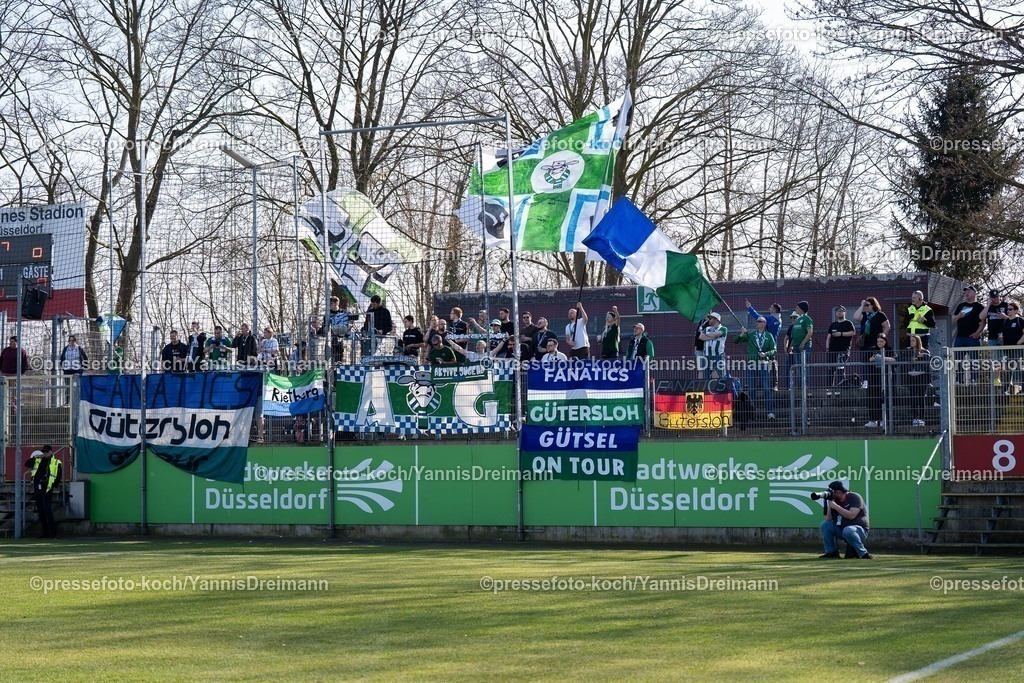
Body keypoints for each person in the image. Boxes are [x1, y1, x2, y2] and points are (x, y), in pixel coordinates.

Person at [734, 316, 777, 420]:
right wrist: (742, 333)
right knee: (752, 389)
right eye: (757, 321)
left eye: (759, 321)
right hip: (752, 364)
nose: (757, 323)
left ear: (764, 323)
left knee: (766, 388)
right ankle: (752, 413)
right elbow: (736, 341)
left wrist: (766, 353)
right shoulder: (751, 334)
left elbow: (774, 349)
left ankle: (769, 412)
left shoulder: (768, 335)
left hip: (764, 364)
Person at [818, 480, 871, 559]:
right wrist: (831, 504)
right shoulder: (835, 501)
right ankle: (831, 552)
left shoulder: (855, 497)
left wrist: (836, 507)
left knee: (848, 530)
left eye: (833, 493)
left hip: (859, 531)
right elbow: (828, 519)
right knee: (825, 525)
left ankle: (863, 553)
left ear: (838, 492)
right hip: (842, 530)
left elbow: (852, 515)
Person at [951, 285, 988, 384]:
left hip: (973, 338)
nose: (966, 293)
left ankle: (973, 380)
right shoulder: (961, 305)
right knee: (958, 360)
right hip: (960, 337)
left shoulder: (979, 306)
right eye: (965, 291)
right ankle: (959, 380)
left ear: (974, 293)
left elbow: (983, 322)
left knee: (974, 360)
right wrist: (959, 316)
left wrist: (977, 333)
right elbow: (953, 320)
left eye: (968, 291)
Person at [25, 445, 62, 538]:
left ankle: (53, 532)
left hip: (47, 489)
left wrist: (54, 486)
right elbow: (27, 464)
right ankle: (45, 532)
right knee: (40, 511)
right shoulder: (38, 460)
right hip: (38, 489)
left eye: (46, 452)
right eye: (43, 452)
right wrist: (35, 457)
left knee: (47, 510)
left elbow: (58, 476)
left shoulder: (56, 462)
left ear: (50, 452)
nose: (45, 453)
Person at [864, 333, 895, 429]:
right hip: (874, 378)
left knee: (885, 398)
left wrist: (883, 358)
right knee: (873, 399)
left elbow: (895, 360)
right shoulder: (872, 349)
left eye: (881, 341)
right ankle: (873, 420)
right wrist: (873, 358)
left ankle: (884, 420)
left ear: (885, 341)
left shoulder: (889, 349)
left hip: (886, 378)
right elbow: (866, 360)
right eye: (878, 341)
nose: (879, 343)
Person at [902, 334, 931, 426]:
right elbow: (901, 358)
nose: (911, 342)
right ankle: (915, 418)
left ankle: (922, 418)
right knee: (913, 398)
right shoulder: (908, 351)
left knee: (921, 398)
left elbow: (930, 359)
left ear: (918, 341)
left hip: (921, 377)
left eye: (913, 340)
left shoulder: (924, 351)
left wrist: (923, 355)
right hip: (911, 377)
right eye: (911, 341)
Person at [825, 306, 856, 386]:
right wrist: (827, 348)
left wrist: (841, 334)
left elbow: (853, 332)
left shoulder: (848, 323)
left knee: (840, 369)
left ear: (845, 312)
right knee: (831, 370)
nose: (839, 312)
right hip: (832, 350)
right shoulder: (833, 324)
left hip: (843, 350)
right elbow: (828, 337)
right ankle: (829, 389)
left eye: (841, 311)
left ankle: (841, 387)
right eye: (837, 311)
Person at [854, 297, 889, 362]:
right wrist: (862, 306)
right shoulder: (864, 315)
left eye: (867, 305)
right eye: (865, 305)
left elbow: (887, 326)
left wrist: (882, 338)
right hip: (864, 343)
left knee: (875, 363)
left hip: (876, 343)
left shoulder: (880, 315)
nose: (866, 307)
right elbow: (856, 317)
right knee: (865, 362)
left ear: (873, 305)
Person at [1001, 301, 1024, 395]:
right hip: (1007, 349)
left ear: (1016, 310)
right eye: (1007, 309)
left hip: (1017, 348)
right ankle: (1005, 389)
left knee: (1019, 368)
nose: (1008, 311)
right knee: (1008, 368)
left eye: (1010, 309)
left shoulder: (1020, 320)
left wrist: (1018, 343)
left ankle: (1023, 389)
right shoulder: (1006, 321)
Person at [700, 312, 727, 379]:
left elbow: (716, 334)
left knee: (722, 376)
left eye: (710, 318)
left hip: (718, 356)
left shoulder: (723, 328)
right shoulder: (707, 329)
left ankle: (725, 389)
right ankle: (707, 389)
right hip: (707, 356)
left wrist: (709, 336)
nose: (709, 320)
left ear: (716, 319)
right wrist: (712, 337)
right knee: (706, 377)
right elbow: (701, 337)